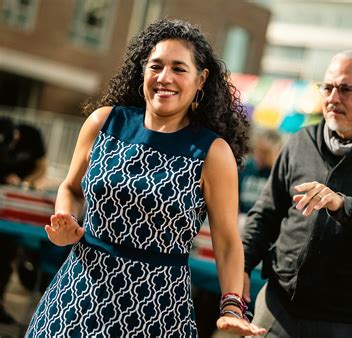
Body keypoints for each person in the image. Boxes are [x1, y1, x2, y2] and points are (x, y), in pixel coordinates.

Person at [25, 19, 265, 337]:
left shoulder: (212, 152)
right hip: (78, 300)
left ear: (201, 79)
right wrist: (65, 222)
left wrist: (232, 305)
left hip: (157, 310)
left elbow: (227, 241)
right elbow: (70, 187)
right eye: (156, 66)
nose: (164, 78)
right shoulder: (104, 122)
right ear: (143, 71)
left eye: (179, 68)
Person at [241, 50, 352, 337]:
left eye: (346, 89)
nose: (333, 97)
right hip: (276, 308)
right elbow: (265, 214)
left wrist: (342, 205)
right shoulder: (301, 142)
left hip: (346, 321)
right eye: (327, 87)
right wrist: (241, 265)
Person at [0, 117, 47, 325]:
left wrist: (27, 183)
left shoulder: (31, 135)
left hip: (14, 203)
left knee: (5, 256)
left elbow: (41, 166)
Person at [239, 128, 282, 214]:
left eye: (265, 152)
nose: (259, 155)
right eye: (258, 149)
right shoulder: (245, 168)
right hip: (242, 219)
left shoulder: (280, 174)